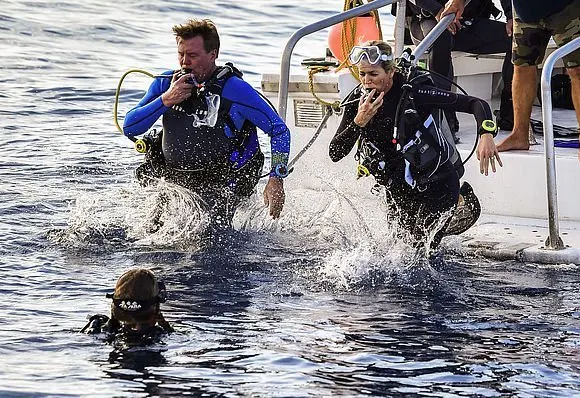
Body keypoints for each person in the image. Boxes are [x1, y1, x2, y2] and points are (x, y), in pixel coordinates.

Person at [329, 41, 501, 250]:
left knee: (419, 252)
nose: (367, 81)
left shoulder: (415, 93)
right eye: (362, 74)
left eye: (373, 74)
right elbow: (335, 153)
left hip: (438, 185)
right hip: (398, 189)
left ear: (391, 72)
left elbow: (476, 104)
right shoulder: (358, 101)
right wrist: (359, 122)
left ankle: (457, 202)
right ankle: (458, 207)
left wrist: (486, 134)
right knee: (398, 253)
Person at [123, 19, 291, 230]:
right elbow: (130, 127)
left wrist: (276, 178)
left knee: (208, 239)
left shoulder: (235, 90)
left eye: (192, 55)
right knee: (151, 237)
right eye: (181, 54)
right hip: (174, 180)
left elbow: (280, 131)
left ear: (213, 55)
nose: (185, 62)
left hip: (221, 183)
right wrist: (166, 99)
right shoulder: (165, 84)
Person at [394, 0, 514, 137]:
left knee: (517, 39)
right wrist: (438, 11)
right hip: (427, 19)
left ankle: (509, 112)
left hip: (469, 20)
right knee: (440, 39)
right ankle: (444, 115)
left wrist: (511, 15)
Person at [497, 0, 580, 164]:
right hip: (525, 10)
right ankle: (519, 134)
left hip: (566, 7)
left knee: (577, 69)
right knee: (522, 67)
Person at [81, 268, 173, 343]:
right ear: (155, 309)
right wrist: (166, 327)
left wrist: (112, 322)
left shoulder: (99, 328)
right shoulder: (160, 335)